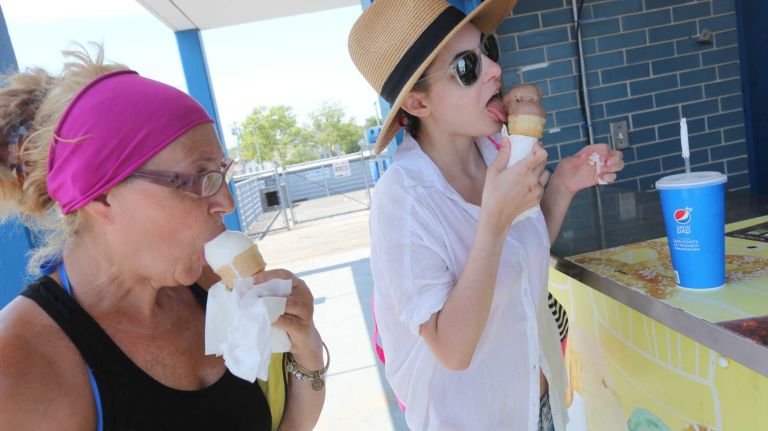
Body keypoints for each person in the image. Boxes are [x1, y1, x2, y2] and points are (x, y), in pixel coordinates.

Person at [0, 47, 326, 431]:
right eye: (198, 178)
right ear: (102, 196)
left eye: (221, 171)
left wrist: (304, 345)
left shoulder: (209, 284)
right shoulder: (21, 365)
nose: (226, 201)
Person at [348, 1, 624, 430]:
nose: (495, 68)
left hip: (541, 408)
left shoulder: (497, 152)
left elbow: (520, 257)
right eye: (467, 67)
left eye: (487, 49)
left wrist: (563, 184)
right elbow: (453, 349)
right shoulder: (402, 201)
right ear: (418, 102)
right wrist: (493, 221)